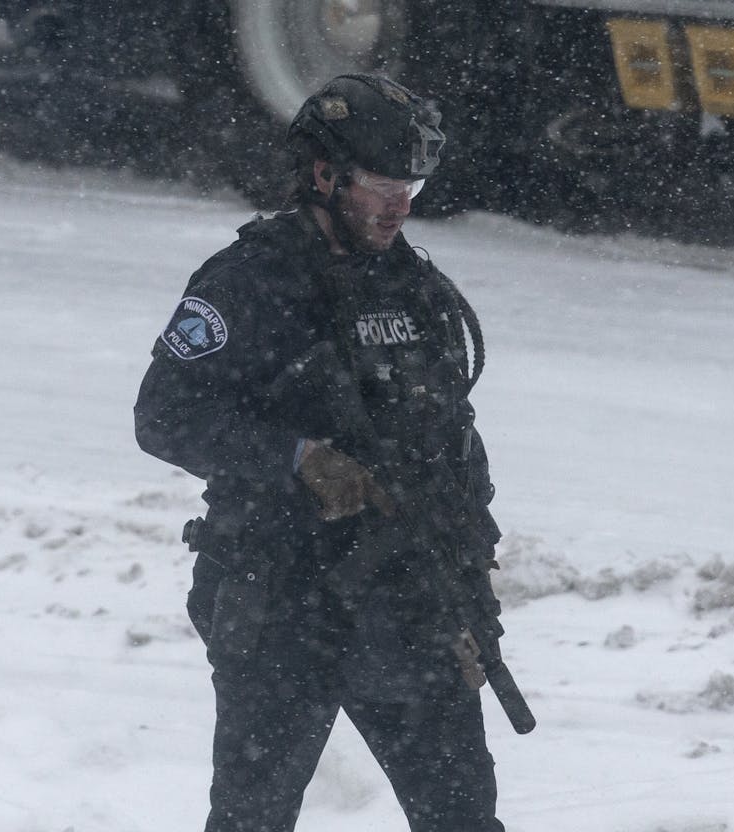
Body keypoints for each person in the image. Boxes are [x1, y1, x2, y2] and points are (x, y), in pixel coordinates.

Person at [134, 73, 510, 832]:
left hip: (406, 599)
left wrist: (473, 599)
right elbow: (165, 415)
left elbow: (454, 451)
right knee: (253, 818)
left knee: (462, 817)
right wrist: (295, 456)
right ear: (324, 174)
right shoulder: (252, 281)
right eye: (380, 183)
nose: (400, 202)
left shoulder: (415, 288)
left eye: (412, 183)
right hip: (281, 598)